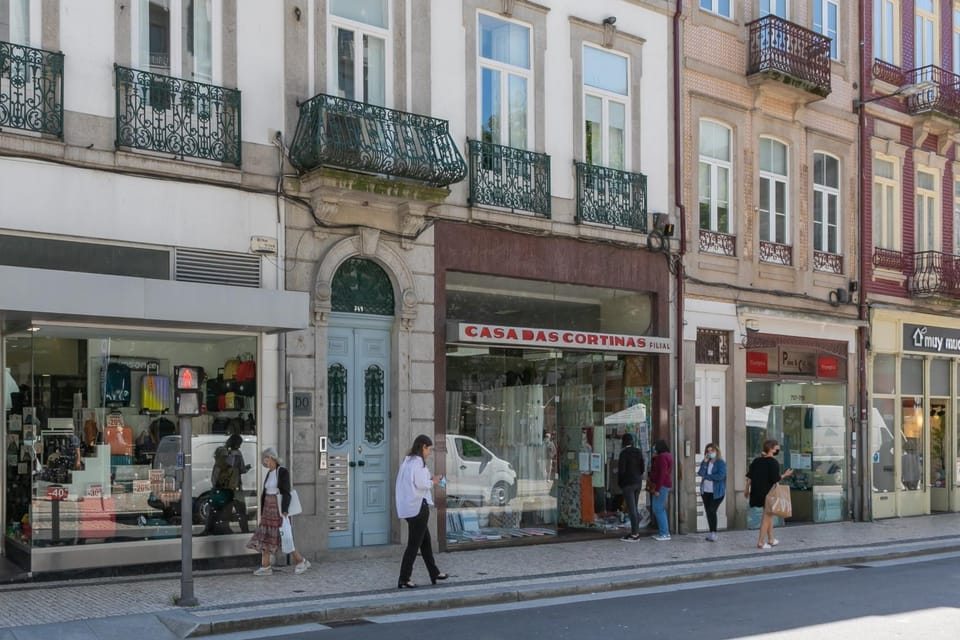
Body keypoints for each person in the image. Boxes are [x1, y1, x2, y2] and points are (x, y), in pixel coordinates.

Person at [246, 447, 310, 575]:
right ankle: (265, 566)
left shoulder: (282, 471)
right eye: (264, 460)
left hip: (278, 509)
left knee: (284, 537)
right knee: (265, 537)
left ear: (272, 458)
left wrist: (285, 510)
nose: (265, 462)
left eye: (267, 459)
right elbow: (266, 492)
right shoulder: (269, 473)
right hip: (268, 509)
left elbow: (286, 492)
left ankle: (300, 561)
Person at [396, 434, 448, 589]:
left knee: (425, 543)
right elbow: (420, 484)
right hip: (418, 508)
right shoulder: (418, 462)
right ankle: (404, 578)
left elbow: (414, 482)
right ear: (423, 447)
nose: (429, 452)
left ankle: (434, 573)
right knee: (413, 545)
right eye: (429, 449)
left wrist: (430, 479)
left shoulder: (408, 461)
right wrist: (435, 481)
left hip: (409, 508)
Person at [745, 439, 794, 550]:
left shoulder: (756, 461)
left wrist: (746, 489)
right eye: (776, 447)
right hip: (768, 493)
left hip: (756, 491)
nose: (778, 449)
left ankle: (771, 539)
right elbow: (775, 479)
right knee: (767, 517)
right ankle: (761, 542)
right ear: (771, 448)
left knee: (769, 515)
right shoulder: (773, 462)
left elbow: (749, 476)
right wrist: (785, 474)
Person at [208, 433, 251, 534]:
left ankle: (219, 530)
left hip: (223, 487)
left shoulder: (221, 453)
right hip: (235, 487)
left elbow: (217, 471)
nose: (240, 446)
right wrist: (247, 468)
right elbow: (242, 469)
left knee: (224, 510)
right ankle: (244, 531)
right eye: (240, 443)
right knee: (241, 511)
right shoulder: (237, 454)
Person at [617, 433, 646, 541]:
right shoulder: (638, 452)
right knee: (634, 507)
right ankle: (635, 531)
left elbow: (621, 470)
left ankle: (635, 534)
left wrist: (620, 483)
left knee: (632, 509)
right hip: (638, 482)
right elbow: (642, 467)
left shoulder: (624, 453)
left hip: (628, 483)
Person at [697, 443, 726, 542]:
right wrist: (704, 462)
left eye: (712, 451)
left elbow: (720, 476)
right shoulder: (706, 462)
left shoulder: (720, 463)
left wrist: (708, 477)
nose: (710, 453)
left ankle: (714, 533)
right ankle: (711, 532)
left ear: (716, 451)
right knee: (708, 512)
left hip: (717, 492)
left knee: (711, 511)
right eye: (708, 451)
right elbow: (700, 473)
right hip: (705, 491)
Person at [648, 439, 673, 541]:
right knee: (660, 508)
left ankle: (664, 533)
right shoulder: (668, 455)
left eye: (655, 447)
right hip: (665, 484)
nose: (653, 449)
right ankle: (663, 532)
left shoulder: (661, 457)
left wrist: (657, 489)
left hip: (661, 485)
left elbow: (662, 474)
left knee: (658, 508)